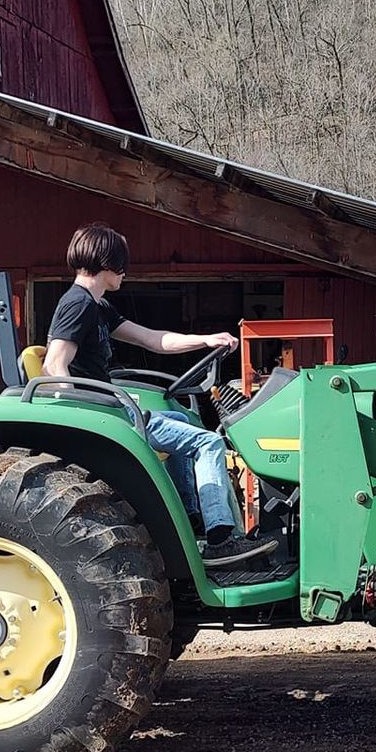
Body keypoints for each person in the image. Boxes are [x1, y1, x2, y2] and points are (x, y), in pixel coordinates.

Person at [43, 224, 277, 568]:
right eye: (122, 263)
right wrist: (96, 413)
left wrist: (206, 339)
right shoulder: (77, 305)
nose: (125, 271)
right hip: (109, 413)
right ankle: (220, 537)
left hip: (115, 407)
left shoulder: (98, 306)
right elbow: (53, 366)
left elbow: (153, 340)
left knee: (182, 420)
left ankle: (193, 518)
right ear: (108, 263)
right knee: (208, 443)